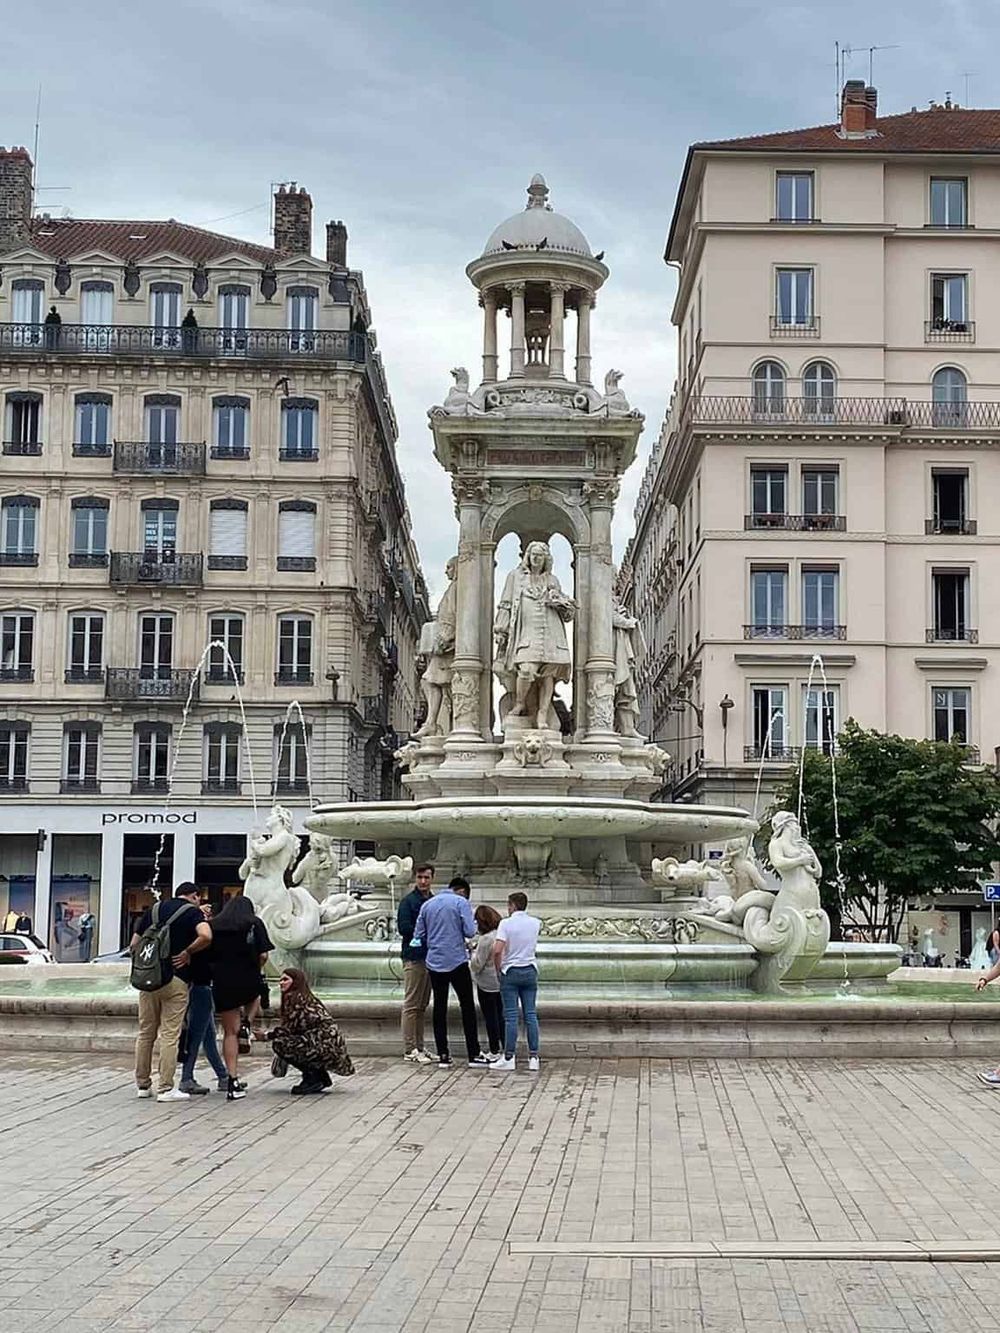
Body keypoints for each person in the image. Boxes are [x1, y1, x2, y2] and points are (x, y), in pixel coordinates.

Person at [131, 886, 212, 1102]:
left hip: (149, 980)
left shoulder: (154, 910)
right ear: (194, 896)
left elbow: (134, 944)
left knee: (145, 1032)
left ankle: (143, 1085)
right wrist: (187, 952)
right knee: (169, 1034)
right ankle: (166, 1088)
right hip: (176, 979)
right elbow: (206, 935)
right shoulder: (192, 912)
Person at [411, 876, 490, 1068]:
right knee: (467, 1006)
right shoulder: (460, 902)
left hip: (435, 962)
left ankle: (444, 1054)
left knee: (439, 1007)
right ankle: (473, 1052)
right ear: (462, 891)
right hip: (456, 961)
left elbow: (418, 935)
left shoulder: (428, 905)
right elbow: (471, 931)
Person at [208, 894, 273, 1101]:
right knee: (256, 994)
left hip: (223, 981)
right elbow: (264, 955)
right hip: (248, 976)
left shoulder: (214, 925)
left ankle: (232, 1079)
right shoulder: (254, 922)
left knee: (229, 1032)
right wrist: (255, 965)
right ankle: (247, 1022)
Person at [174, 887, 229, 1095]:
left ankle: (223, 1077)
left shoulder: (193, 933)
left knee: (208, 1035)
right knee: (197, 1036)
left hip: (199, 986)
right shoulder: (200, 935)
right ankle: (186, 1078)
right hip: (201, 986)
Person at [266, 968, 355, 1094]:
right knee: (290, 1042)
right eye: (280, 980)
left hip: (324, 1048)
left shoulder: (296, 1000)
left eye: (285, 980)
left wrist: (266, 1036)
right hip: (328, 1047)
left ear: (296, 982)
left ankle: (312, 1077)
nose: (281, 983)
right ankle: (319, 1075)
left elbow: (289, 1030)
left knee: (281, 1044)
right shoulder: (305, 997)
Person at [491, 891, 542, 1074]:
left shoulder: (506, 924)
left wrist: (499, 968)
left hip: (511, 970)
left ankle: (509, 1057)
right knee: (530, 1015)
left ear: (512, 905)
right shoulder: (536, 923)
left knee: (511, 1017)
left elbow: (497, 950)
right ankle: (533, 1057)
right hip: (529, 969)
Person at [396, 864, 434, 1065]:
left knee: (422, 1005)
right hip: (413, 956)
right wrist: (427, 931)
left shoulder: (433, 900)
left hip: (429, 957)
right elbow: (404, 928)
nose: (423, 881)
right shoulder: (408, 902)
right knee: (411, 1004)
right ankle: (409, 1048)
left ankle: (420, 1046)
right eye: (420, 877)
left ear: (432, 879)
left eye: (426, 877)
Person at [469, 905, 503, 1060]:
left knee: (490, 1017)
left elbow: (477, 964)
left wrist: (472, 953)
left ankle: (494, 1050)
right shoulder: (500, 934)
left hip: (486, 983)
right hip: (500, 980)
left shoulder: (485, 939)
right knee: (501, 1016)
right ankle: (506, 1047)